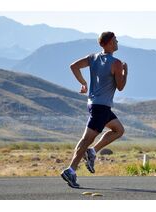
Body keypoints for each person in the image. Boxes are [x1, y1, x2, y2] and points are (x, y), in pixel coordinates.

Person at [61, 31, 128, 188]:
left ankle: (92, 152)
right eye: (116, 40)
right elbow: (120, 87)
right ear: (110, 42)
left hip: (95, 104)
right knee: (86, 139)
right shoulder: (116, 63)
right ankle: (70, 170)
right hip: (101, 107)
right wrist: (126, 72)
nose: (117, 42)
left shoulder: (93, 57)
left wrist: (83, 83)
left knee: (119, 130)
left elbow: (74, 66)